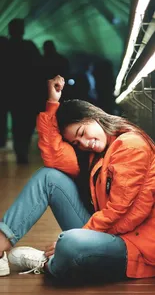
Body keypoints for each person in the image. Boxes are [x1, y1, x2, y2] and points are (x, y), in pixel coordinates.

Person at [0, 75, 155, 284]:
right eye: (77, 142)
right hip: (106, 233)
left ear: (94, 117)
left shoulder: (130, 146)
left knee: (69, 243)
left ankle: (49, 263)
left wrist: (82, 234)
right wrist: (52, 103)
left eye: (83, 132)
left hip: (135, 246)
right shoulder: (94, 155)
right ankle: (1, 247)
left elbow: (121, 213)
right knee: (48, 177)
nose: (85, 143)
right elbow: (53, 157)